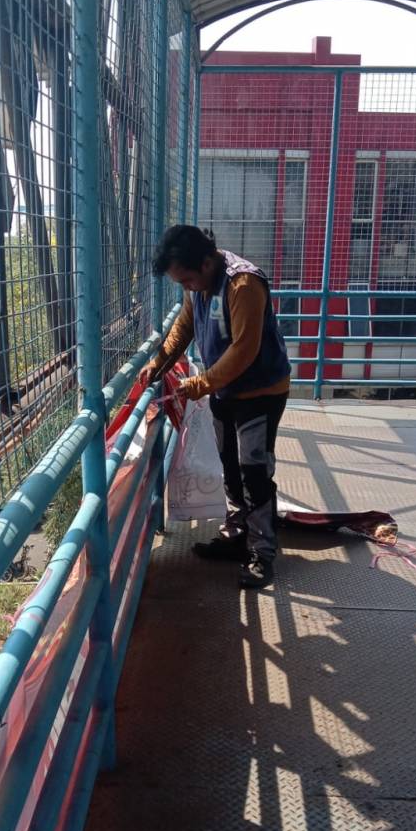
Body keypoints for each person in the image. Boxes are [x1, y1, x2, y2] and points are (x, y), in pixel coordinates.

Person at [139, 225, 290, 588]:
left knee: (254, 472)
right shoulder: (199, 286)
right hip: (225, 391)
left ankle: (262, 553)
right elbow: (184, 327)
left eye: (187, 280)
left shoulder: (243, 285)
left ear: (206, 263)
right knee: (230, 468)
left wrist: (199, 384)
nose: (187, 287)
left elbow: (244, 350)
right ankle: (238, 536)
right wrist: (159, 363)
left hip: (260, 393)